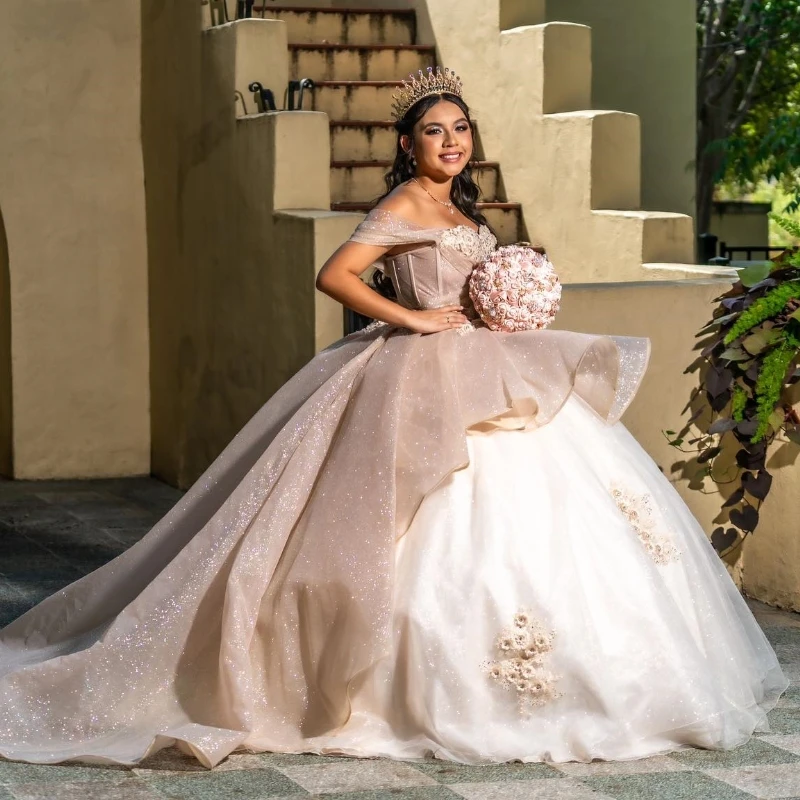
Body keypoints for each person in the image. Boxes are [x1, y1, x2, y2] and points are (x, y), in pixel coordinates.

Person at [0, 67, 788, 769]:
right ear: (409, 147)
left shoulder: (460, 205)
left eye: (460, 128)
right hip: (420, 375)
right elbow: (336, 273)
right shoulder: (407, 201)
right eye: (434, 132)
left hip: (483, 365)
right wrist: (411, 320)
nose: (451, 141)